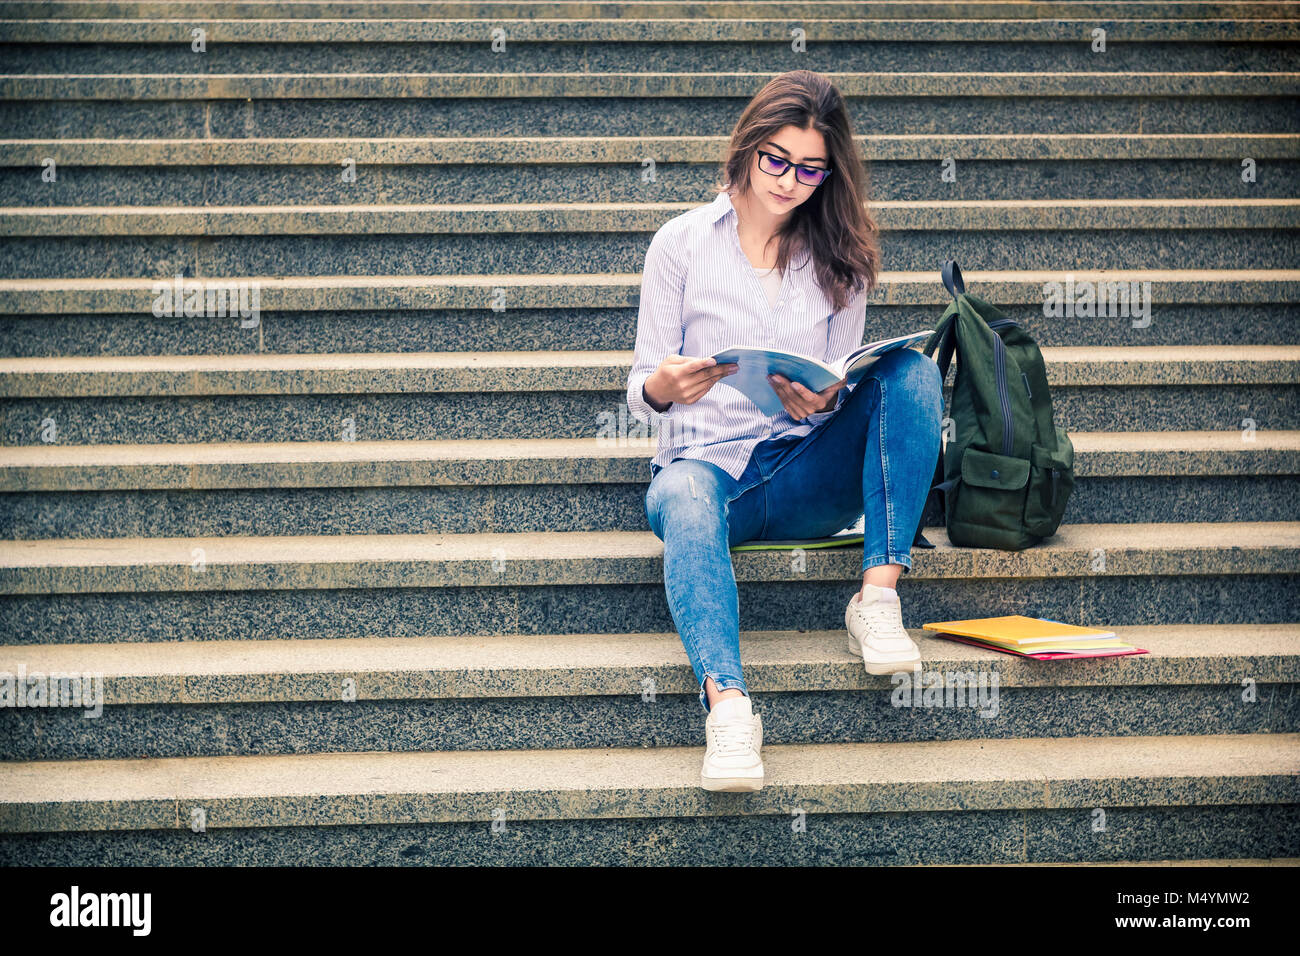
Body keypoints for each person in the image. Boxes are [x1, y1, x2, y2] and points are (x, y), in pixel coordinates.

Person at [625, 70, 944, 792]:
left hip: (801, 472)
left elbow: (841, 375)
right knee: (682, 497)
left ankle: (877, 598)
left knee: (912, 374)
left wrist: (819, 402)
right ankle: (729, 709)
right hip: (708, 475)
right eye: (777, 159)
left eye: (810, 168)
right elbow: (642, 385)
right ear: (747, 147)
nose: (790, 181)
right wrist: (663, 387)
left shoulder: (840, 258)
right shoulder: (680, 244)